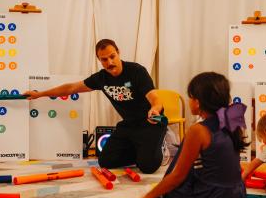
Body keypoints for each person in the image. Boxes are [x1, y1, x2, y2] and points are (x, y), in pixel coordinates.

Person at [24, 39, 167, 174]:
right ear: (99, 60)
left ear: (118, 53)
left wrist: (154, 109)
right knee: (105, 161)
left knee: (147, 167)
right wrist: (40, 94)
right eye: (104, 59)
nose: (110, 62)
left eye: (112, 56)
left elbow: (154, 97)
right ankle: (142, 151)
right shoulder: (101, 78)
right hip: (129, 125)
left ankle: (155, 148)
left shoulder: (136, 71)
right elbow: (71, 88)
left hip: (150, 123)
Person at [135, 72, 248, 198]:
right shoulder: (230, 121)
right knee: (193, 171)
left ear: (198, 102)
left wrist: (148, 197)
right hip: (237, 197)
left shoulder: (198, 131)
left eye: (190, 97)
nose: (189, 101)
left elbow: (177, 176)